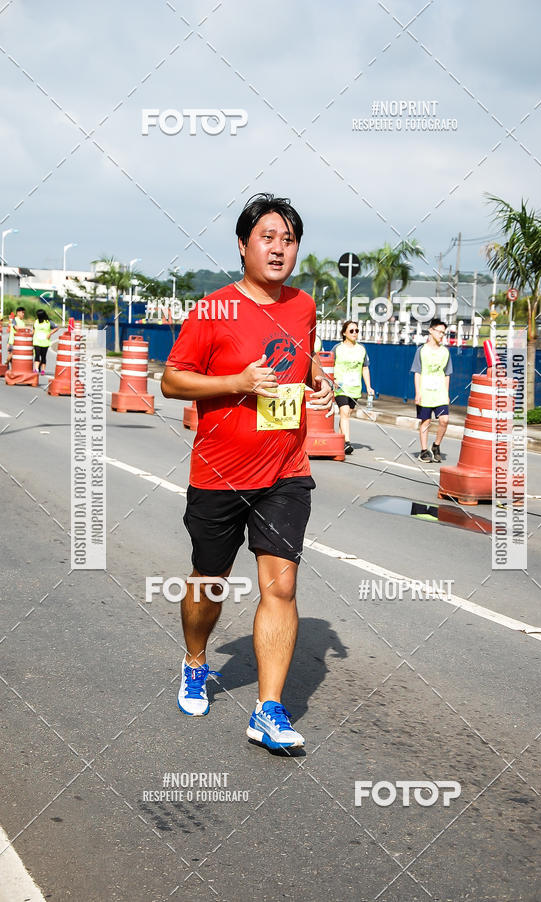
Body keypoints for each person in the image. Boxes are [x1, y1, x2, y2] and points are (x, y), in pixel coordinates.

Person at [161, 193, 333, 751]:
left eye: (288, 239)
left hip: (286, 469)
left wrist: (317, 380)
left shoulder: (304, 306)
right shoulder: (213, 309)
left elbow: (299, 360)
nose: (279, 248)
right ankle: (194, 659)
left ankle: (268, 709)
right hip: (220, 473)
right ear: (243, 245)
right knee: (209, 580)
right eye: (268, 237)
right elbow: (172, 381)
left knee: (280, 587)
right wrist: (235, 383)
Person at [410, 318, 453, 462]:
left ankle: (436, 445)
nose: (441, 335)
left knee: (444, 420)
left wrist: (446, 394)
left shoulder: (445, 352)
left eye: (444, 333)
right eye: (439, 331)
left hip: (440, 393)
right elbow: (417, 372)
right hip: (425, 391)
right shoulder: (421, 351)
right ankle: (424, 451)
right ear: (431, 330)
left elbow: (447, 374)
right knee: (425, 421)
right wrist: (418, 392)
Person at [332, 320, 373, 455]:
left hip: (355, 387)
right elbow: (329, 365)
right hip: (340, 387)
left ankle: (338, 442)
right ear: (344, 333)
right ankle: (347, 442)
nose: (355, 333)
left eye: (356, 330)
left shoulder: (362, 349)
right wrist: (332, 380)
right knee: (344, 412)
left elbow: (365, 368)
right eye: (351, 331)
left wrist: (369, 387)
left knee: (347, 414)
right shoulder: (337, 348)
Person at [32, 309, 59, 375]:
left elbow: (56, 327)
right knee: (37, 356)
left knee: (43, 356)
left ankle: (43, 370)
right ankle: (36, 369)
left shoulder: (48, 322)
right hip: (37, 341)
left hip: (45, 342)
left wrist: (50, 334)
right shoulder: (36, 322)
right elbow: (33, 330)